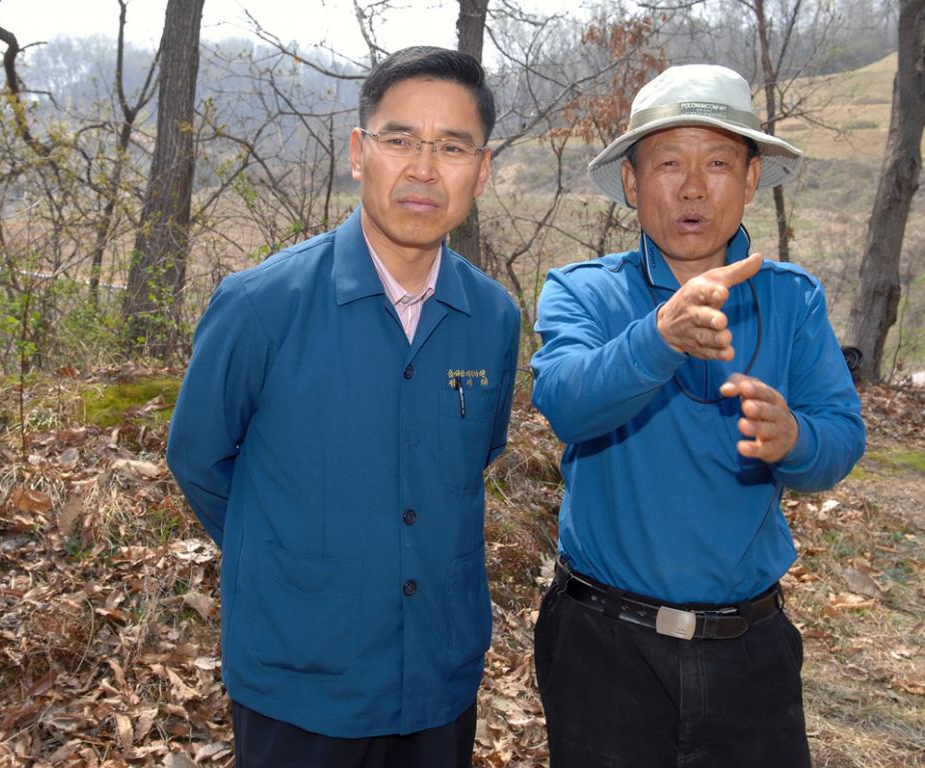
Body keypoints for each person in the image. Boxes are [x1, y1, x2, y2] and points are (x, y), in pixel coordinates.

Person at [166, 46, 520, 768]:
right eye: (400, 140)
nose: (424, 169)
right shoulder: (261, 305)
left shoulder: (494, 318)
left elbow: (473, 458)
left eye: (452, 147)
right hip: (300, 689)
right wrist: (295, 564)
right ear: (360, 153)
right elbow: (199, 457)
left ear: (481, 171)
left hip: (438, 683)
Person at [530, 64, 865, 767]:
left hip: (751, 650)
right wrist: (659, 338)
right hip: (603, 647)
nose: (692, 187)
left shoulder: (792, 300)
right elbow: (564, 401)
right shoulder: (583, 293)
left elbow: (841, 438)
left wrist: (795, 438)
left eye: (716, 163)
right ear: (631, 183)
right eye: (668, 164)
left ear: (749, 180)